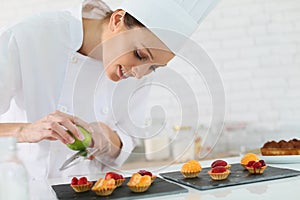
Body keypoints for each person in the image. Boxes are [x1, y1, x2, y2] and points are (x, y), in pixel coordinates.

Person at [0, 0, 218, 179]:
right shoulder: (31, 37)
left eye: (153, 67)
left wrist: (107, 137)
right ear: (116, 20)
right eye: (140, 55)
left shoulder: (137, 73)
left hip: (91, 190)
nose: (139, 74)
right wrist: (24, 130)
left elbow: (126, 141)